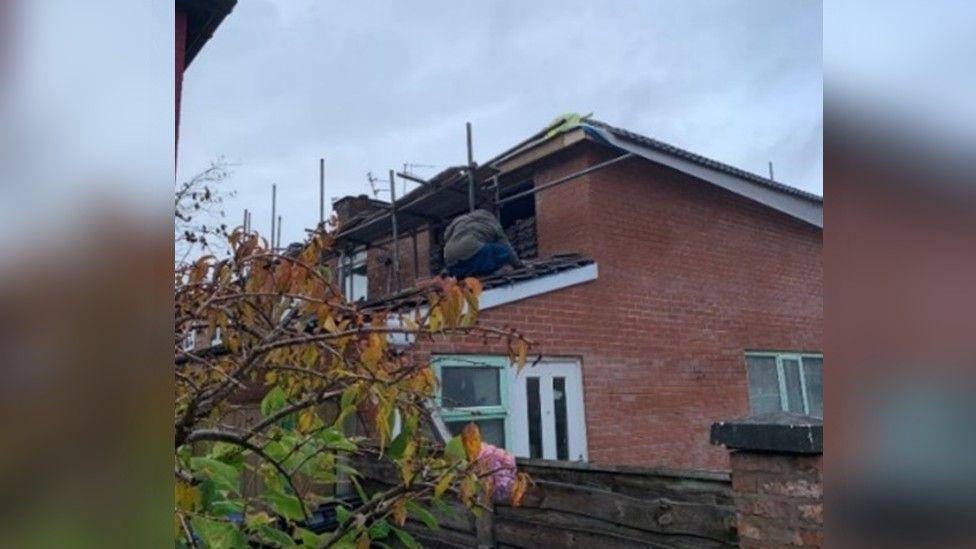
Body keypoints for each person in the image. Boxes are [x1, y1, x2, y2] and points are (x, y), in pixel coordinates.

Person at [443, 208, 523, 278]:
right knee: (502, 251)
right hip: (473, 257)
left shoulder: (459, 219)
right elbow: (506, 245)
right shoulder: (493, 223)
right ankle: (487, 272)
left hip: (451, 260)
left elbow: (445, 236)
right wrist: (518, 265)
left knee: (470, 255)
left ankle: (455, 273)